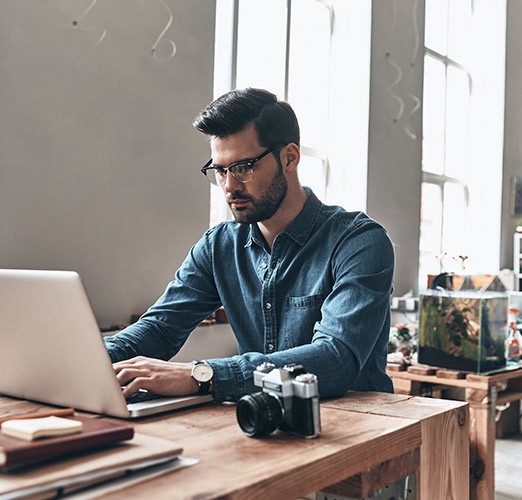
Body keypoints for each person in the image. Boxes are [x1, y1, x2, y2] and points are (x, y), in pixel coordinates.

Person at [105, 88, 395, 402]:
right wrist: (89, 362)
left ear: (290, 158)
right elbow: (160, 328)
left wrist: (201, 374)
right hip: (257, 424)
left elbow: (336, 359)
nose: (229, 186)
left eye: (244, 167)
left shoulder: (359, 242)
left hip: (359, 429)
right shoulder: (219, 246)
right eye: (219, 170)